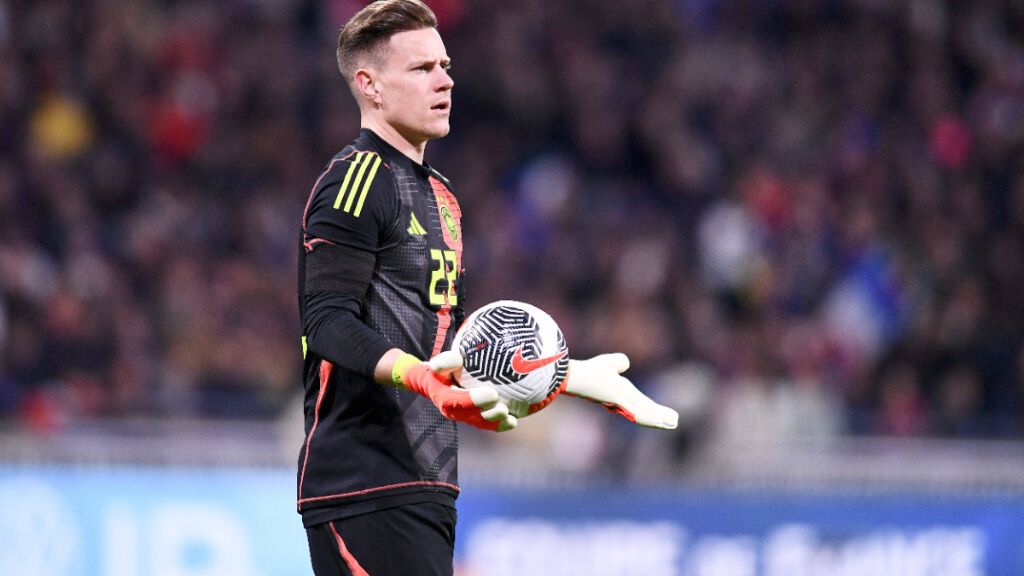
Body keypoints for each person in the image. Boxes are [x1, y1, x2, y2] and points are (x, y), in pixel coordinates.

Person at [296, 1, 679, 574]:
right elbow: (326, 321)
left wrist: (566, 374)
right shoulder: (356, 181)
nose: (446, 79)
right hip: (361, 479)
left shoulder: (442, 196)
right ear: (369, 85)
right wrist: (420, 376)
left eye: (445, 65)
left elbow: (444, 343)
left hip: (426, 477)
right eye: (422, 68)